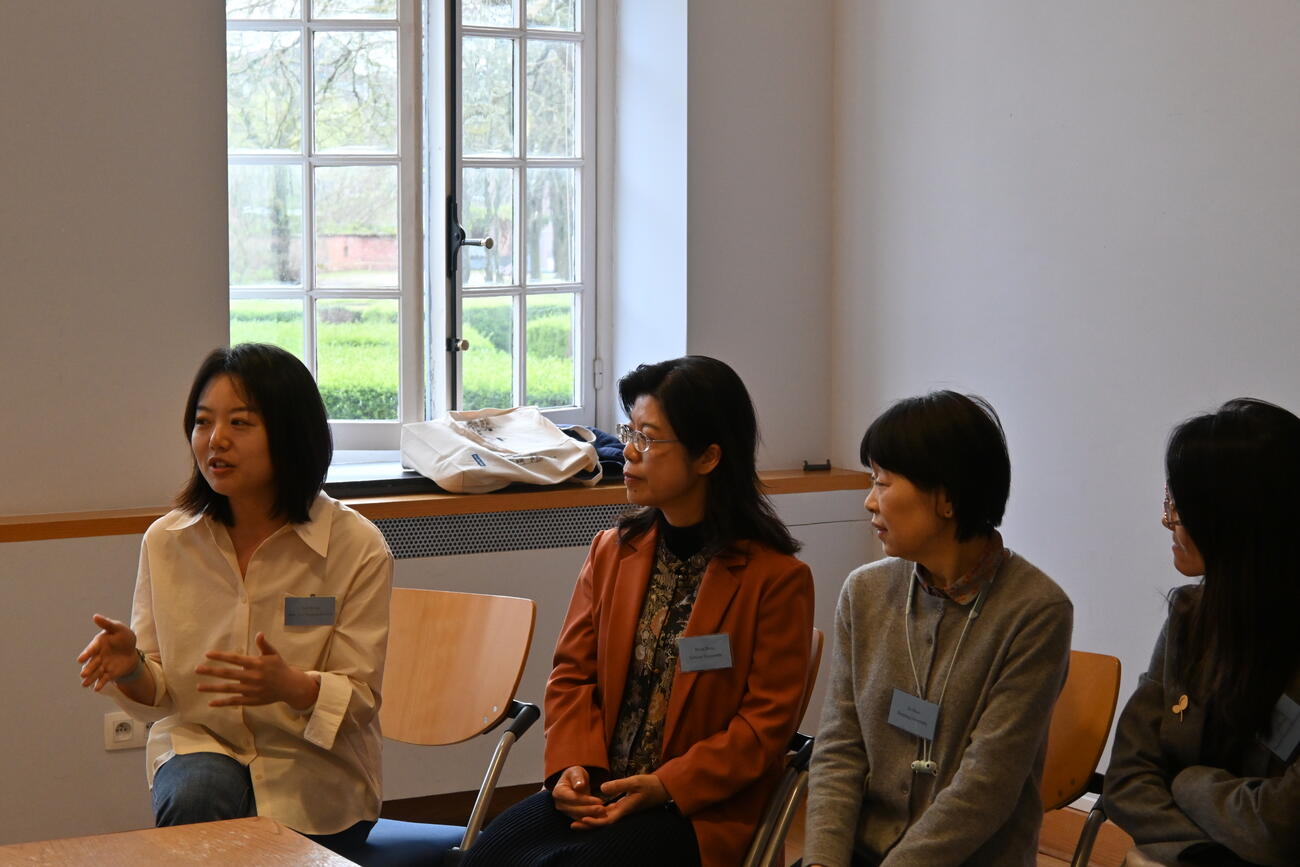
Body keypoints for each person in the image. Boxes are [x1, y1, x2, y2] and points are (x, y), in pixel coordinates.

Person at [461, 355, 815, 867]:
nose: (627, 451)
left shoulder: (776, 580)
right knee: (486, 856)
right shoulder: (612, 550)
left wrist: (663, 784)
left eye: (648, 438)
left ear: (709, 457)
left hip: (694, 808)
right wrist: (573, 768)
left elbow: (761, 730)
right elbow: (572, 676)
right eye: (631, 431)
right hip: (601, 784)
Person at [76, 343, 414, 855]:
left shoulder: (355, 546)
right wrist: (131, 667)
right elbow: (164, 691)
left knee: (272, 839)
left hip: (314, 770)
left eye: (240, 423)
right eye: (202, 422)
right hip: (201, 744)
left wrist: (293, 686)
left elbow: (360, 699)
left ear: (290, 432)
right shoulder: (167, 541)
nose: (215, 441)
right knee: (197, 794)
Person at [802, 391, 1073, 867]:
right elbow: (840, 747)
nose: (869, 501)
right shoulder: (864, 592)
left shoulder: (1035, 611)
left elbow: (985, 787)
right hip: (860, 852)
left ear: (946, 497)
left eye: (883, 483)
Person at [1104, 398, 1300, 867]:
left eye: (1181, 506)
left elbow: (1281, 828)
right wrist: (1200, 854)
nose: (1167, 520)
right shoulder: (1190, 617)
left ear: (1238, 520)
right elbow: (1128, 777)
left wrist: (1187, 781)